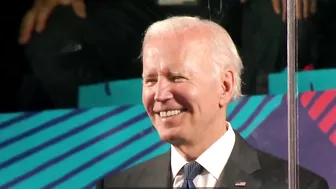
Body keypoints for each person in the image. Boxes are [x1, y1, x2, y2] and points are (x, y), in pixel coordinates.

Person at [95, 16, 329, 188]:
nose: (160, 94)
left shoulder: (298, 185)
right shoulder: (118, 185)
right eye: (151, 80)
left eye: (177, 77)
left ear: (224, 86)